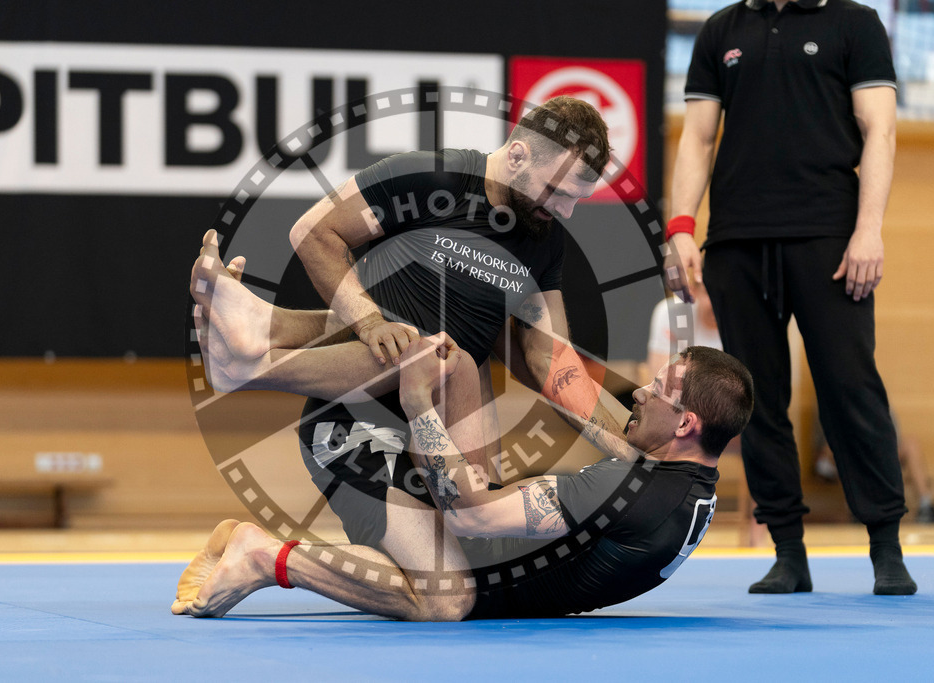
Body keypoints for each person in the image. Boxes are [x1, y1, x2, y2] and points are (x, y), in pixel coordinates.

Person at [191, 96, 637, 574]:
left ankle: (258, 550)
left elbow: (550, 359)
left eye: (577, 198)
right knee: (431, 347)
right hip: (354, 429)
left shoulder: (544, 240)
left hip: (436, 433)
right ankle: (253, 362)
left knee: (466, 581)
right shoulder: (430, 179)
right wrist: (368, 322)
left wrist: (633, 457)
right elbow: (313, 232)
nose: (566, 211)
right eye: (557, 191)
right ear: (517, 155)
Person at [171, 340, 755, 620]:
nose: (642, 392)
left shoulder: (630, 491)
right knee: (447, 598)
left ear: (686, 423)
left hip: (440, 498)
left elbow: (473, 515)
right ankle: (258, 363)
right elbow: (620, 436)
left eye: (659, 391)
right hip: (345, 437)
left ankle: (257, 548)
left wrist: (418, 404)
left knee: (450, 592)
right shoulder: (688, 480)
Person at [663, 0, 916, 595]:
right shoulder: (720, 30)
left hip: (829, 234)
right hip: (736, 239)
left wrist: (869, 228)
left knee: (849, 385)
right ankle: (787, 551)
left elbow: (880, 127)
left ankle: (885, 544)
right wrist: (679, 227)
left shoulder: (854, 23)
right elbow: (698, 138)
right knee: (756, 397)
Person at [812, 409, 934, 524]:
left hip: (877, 453)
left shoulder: (874, 392)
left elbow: (893, 434)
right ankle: (857, 509)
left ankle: (926, 507)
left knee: (910, 444)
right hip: (841, 457)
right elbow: (823, 446)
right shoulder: (828, 394)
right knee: (844, 448)